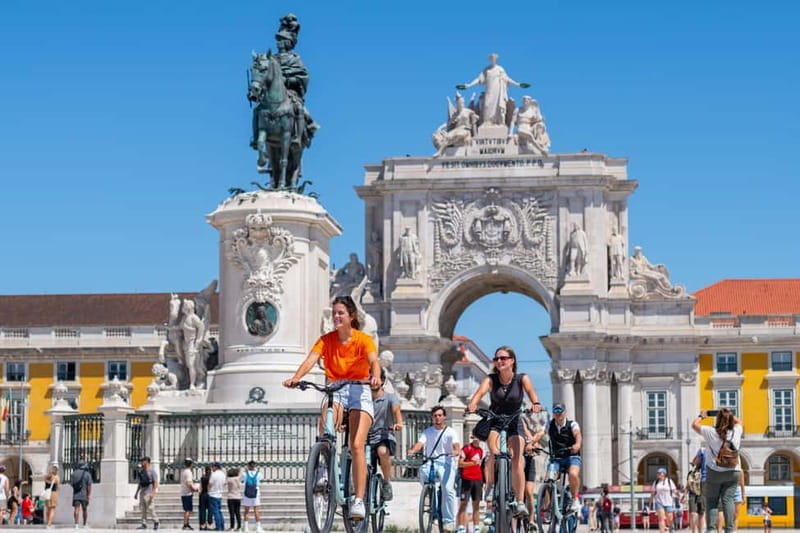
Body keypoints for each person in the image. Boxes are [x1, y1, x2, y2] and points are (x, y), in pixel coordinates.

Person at [283, 295, 380, 520]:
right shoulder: (326, 340)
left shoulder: (363, 339)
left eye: (340, 313)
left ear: (351, 316)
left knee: (357, 445)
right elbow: (310, 360)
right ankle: (324, 468)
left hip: (359, 389)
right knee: (325, 429)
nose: (336, 316)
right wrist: (296, 377)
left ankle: (358, 500)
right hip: (336, 387)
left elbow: (374, 361)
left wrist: (375, 377)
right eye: (334, 313)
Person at [466, 346, 542, 519]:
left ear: (512, 361)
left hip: (515, 421)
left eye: (503, 358)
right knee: (493, 453)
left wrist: (536, 403)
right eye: (496, 359)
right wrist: (473, 404)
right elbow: (479, 393)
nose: (499, 361)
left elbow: (531, 393)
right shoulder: (491, 379)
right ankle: (491, 489)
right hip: (496, 420)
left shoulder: (521, 378)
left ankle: (520, 502)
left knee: (517, 459)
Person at [407, 406, 461, 532]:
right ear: (432, 418)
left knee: (448, 489)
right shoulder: (428, 431)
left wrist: (455, 451)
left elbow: (456, 446)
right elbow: (420, 443)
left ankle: (449, 521)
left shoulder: (451, 432)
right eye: (435, 416)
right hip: (431, 461)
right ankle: (430, 496)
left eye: (440, 415)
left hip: (446, 463)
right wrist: (413, 450)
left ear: (444, 417)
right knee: (423, 471)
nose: (437, 418)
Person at [691, 409, 743, 533]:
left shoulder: (711, 432)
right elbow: (740, 422)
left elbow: (694, 425)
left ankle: (711, 530)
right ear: (731, 420)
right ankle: (729, 530)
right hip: (733, 471)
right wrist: (730, 415)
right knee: (728, 500)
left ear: (718, 419)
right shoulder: (736, 431)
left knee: (712, 500)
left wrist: (702, 416)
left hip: (715, 471)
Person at [456, 53, 530, 126]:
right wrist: (469, 85)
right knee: (487, 105)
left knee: (499, 106)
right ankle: (487, 122)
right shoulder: (486, 70)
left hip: (498, 92)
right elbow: (479, 79)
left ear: (496, 59)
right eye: (491, 58)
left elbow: (507, 79)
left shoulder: (500, 69)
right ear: (489, 59)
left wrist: (517, 84)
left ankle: (499, 122)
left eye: (494, 58)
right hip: (489, 91)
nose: (492, 59)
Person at [368, 368, 402, 501]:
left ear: (382, 381)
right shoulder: (364, 399)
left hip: (384, 435)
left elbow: (396, 409)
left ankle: (387, 482)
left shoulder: (389, 397)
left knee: (382, 451)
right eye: (370, 378)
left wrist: (398, 422)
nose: (373, 382)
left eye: (376, 378)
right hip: (366, 437)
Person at [545, 402, 582, 513]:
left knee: (573, 474)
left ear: (565, 412)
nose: (558, 413)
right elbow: (540, 433)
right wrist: (532, 442)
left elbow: (577, 434)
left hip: (572, 456)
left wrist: (577, 444)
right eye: (555, 411)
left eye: (560, 411)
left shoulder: (572, 424)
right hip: (556, 459)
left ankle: (575, 499)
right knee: (547, 480)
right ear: (553, 413)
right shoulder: (549, 424)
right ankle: (548, 509)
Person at [457, 434, 484, 533]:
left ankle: (476, 527)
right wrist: (472, 463)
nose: (477, 440)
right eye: (475, 437)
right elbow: (460, 463)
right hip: (466, 479)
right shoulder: (466, 448)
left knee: (476, 504)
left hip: (478, 479)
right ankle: (461, 527)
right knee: (463, 503)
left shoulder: (481, 450)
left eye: (479, 438)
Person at [135, 456, 160, 530]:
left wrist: (153, 493)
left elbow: (155, 483)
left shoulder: (152, 471)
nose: (142, 462)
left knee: (150, 508)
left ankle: (156, 521)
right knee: (143, 509)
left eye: (143, 461)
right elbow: (140, 483)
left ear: (147, 462)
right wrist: (136, 493)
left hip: (149, 492)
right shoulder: (142, 471)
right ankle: (144, 524)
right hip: (142, 492)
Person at [650, 467, 677, 533]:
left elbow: (674, 491)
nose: (658, 474)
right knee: (661, 519)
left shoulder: (669, 481)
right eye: (658, 473)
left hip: (668, 502)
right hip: (659, 502)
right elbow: (653, 493)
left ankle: (671, 529)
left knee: (669, 519)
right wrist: (650, 502)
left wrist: (680, 496)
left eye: (660, 473)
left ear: (664, 474)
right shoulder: (656, 482)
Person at [240, 460, 263, 533]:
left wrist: (245, 470)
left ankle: (246, 528)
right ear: (255, 466)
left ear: (248, 466)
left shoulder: (244, 474)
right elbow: (260, 480)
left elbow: (241, 480)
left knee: (246, 511)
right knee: (256, 510)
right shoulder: (259, 473)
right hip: (256, 493)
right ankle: (258, 527)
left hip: (247, 493)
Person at [687, 449, 706, 533]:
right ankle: (693, 531)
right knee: (693, 513)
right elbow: (687, 484)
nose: (694, 464)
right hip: (692, 494)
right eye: (693, 463)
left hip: (701, 492)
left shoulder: (704, 471)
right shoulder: (691, 472)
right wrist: (684, 494)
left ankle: (700, 531)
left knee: (701, 513)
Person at [70, 460, 92, 528]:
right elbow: (89, 485)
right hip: (84, 494)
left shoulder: (73, 474)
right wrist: (89, 494)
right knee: (84, 510)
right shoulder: (87, 474)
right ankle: (84, 524)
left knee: (76, 509)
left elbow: (71, 484)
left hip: (76, 494)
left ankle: (76, 524)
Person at [180, 458, 198, 530]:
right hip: (187, 493)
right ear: (191, 464)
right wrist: (194, 489)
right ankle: (185, 524)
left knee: (186, 510)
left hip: (183, 492)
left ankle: (186, 523)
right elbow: (188, 483)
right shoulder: (188, 472)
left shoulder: (184, 471)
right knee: (188, 510)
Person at [208, 462, 226, 531]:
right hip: (219, 494)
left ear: (215, 467)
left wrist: (208, 490)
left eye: (212, 467)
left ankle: (218, 527)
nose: (212, 468)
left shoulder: (214, 474)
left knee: (215, 512)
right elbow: (224, 484)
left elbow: (210, 484)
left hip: (213, 494)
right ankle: (222, 526)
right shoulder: (223, 474)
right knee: (219, 511)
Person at [225, 467, 242, 532]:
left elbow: (224, 483)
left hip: (231, 497)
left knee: (231, 513)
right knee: (238, 513)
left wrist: (226, 473)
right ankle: (239, 527)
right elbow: (241, 474)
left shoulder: (229, 479)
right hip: (238, 497)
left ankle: (232, 527)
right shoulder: (238, 479)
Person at [199, 466, 212, 530]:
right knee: (210, 510)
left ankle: (202, 524)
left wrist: (200, 493)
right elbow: (210, 486)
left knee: (202, 510)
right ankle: (209, 524)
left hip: (203, 494)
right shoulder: (211, 478)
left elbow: (201, 486)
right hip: (209, 494)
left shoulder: (202, 477)